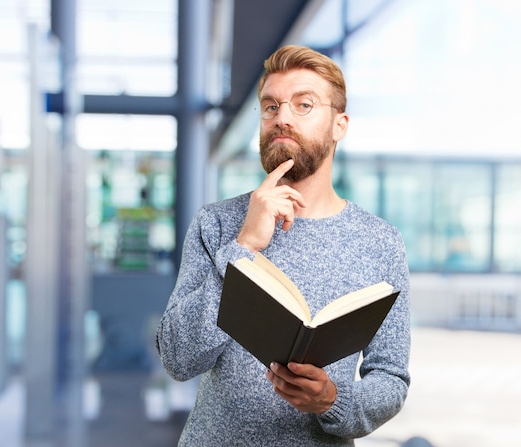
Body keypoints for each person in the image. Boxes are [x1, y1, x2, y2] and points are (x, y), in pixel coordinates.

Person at [156, 45, 411, 446]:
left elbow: (391, 378)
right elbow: (177, 357)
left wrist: (333, 401)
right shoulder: (218, 223)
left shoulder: (381, 242)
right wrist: (243, 248)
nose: (282, 118)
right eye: (270, 106)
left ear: (339, 125)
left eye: (303, 105)